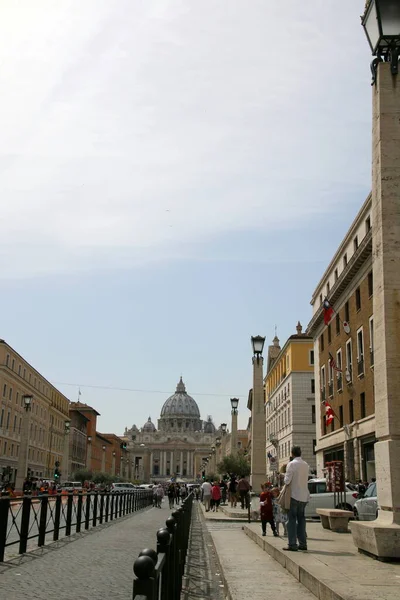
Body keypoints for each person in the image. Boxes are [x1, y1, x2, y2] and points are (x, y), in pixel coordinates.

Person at [283, 446, 309, 552]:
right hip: (304, 496)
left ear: (292, 453)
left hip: (294, 495)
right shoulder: (306, 465)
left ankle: (292, 544)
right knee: (302, 519)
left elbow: (287, 481)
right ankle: (303, 543)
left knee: (292, 520)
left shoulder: (292, 464)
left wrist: (284, 476)